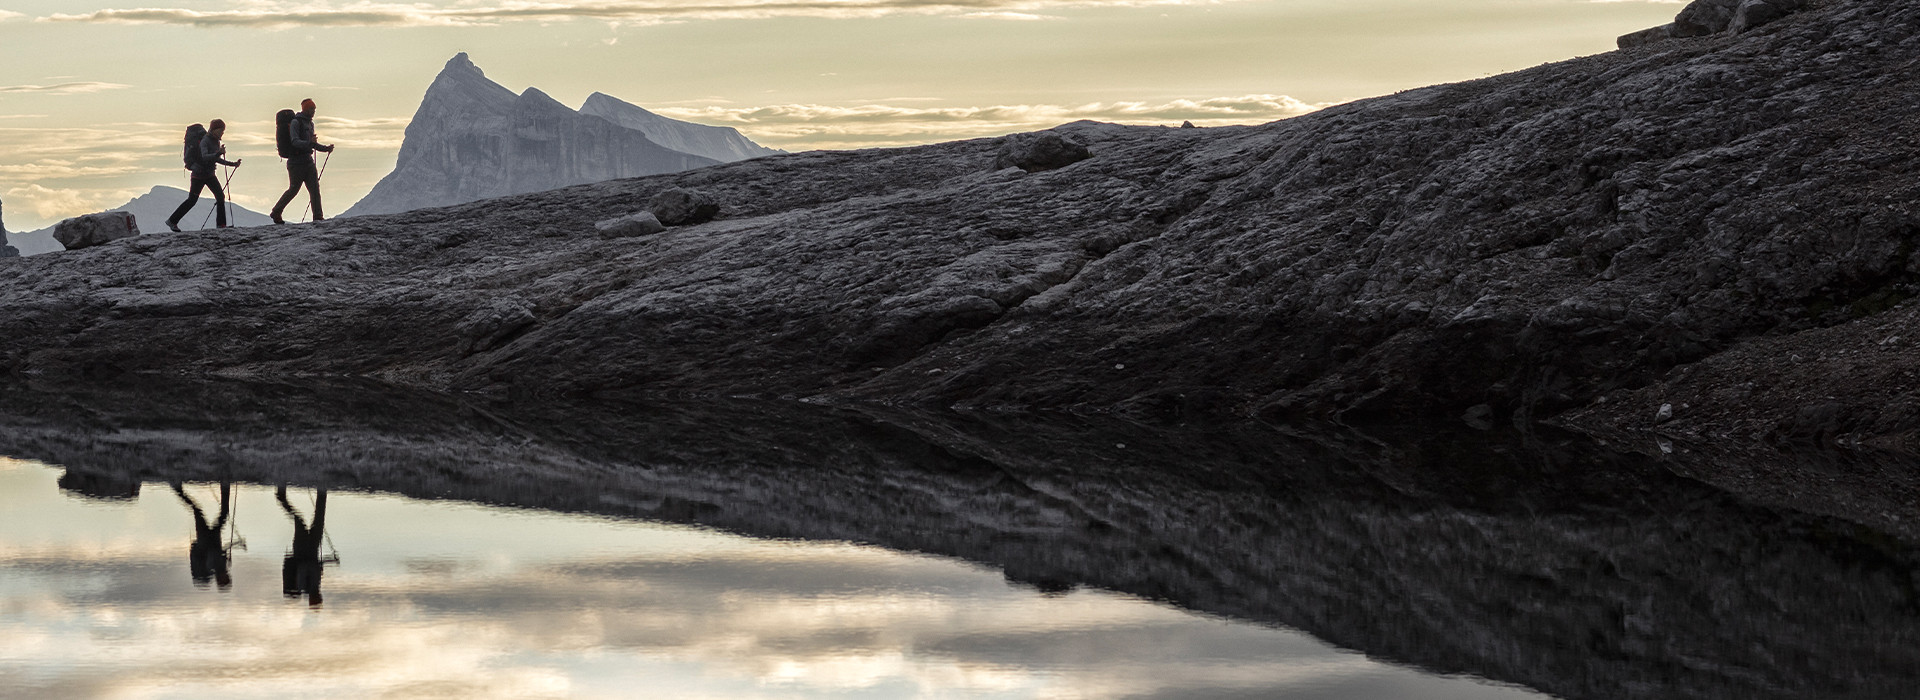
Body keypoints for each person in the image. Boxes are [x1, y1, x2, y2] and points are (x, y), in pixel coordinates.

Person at [165, 119, 241, 232]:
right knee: (192, 200)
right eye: (221, 130)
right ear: (214, 130)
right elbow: (205, 156)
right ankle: (172, 221)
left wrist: (232, 164)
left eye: (223, 131)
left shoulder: (215, 141)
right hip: (199, 175)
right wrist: (219, 153)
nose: (222, 133)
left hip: (208, 174)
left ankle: (221, 225)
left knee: (220, 197)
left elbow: (216, 159)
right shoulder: (205, 141)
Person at [270, 98, 335, 224]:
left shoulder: (310, 124)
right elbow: (295, 141)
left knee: (314, 189)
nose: (313, 111)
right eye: (311, 109)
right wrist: (311, 143)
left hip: (307, 161)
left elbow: (311, 144)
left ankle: (318, 216)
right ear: (305, 109)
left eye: (314, 109)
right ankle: (276, 211)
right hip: (296, 162)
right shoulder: (296, 122)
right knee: (294, 190)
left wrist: (325, 148)